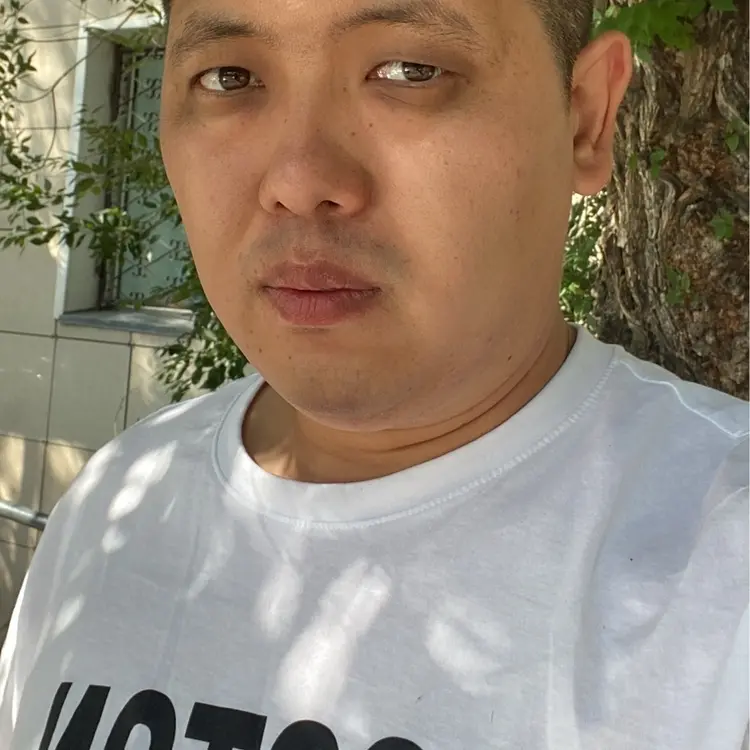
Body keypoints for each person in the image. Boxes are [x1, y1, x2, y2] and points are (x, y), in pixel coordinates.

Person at [1, 0, 747, 747]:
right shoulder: (116, 502)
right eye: (229, 77)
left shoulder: (721, 568)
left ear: (585, 116)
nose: (299, 181)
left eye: (410, 71)